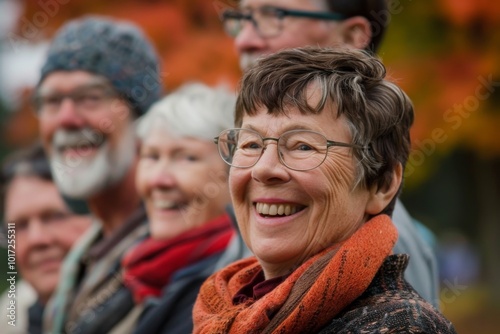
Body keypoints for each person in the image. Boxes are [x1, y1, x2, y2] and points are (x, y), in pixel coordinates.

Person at [193, 47, 456, 333]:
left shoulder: (398, 326)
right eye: (251, 144)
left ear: (382, 184)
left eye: (303, 146)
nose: (263, 169)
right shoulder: (226, 304)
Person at [218, 0, 440, 306]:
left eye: (273, 15)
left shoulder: (384, 262)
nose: (243, 39)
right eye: (251, 143)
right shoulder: (237, 280)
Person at [35, 16, 162, 333]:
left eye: (90, 97)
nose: (66, 118)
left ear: (141, 120)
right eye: (51, 101)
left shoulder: (182, 255)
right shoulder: (81, 264)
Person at [124, 82, 236, 334]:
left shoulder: (236, 288)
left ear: (234, 173)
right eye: (151, 156)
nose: (159, 180)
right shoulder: (132, 268)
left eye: (187, 157)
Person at [0, 144, 92, 334]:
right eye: (20, 225)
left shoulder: (145, 305)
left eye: (55, 217)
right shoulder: (8, 321)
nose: (37, 239)